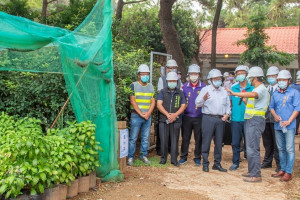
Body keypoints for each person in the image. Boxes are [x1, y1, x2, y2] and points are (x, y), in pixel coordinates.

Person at [226, 66, 270, 183]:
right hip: (250, 119)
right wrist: (244, 99)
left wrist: (236, 93)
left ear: (255, 78)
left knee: (253, 148)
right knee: (250, 147)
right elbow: (251, 103)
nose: (249, 80)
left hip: (255, 120)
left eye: (250, 78)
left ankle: (256, 174)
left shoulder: (260, 89)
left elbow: (254, 95)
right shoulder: (258, 89)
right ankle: (252, 171)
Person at [195, 69, 231, 172]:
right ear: (210, 80)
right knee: (206, 141)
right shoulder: (205, 90)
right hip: (208, 118)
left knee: (219, 143)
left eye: (219, 79)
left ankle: (217, 163)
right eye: (215, 79)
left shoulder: (224, 91)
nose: (218, 81)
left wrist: (227, 114)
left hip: (220, 119)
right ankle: (205, 163)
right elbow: (197, 103)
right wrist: (204, 99)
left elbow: (228, 105)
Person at [269, 70, 300, 182]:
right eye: (280, 80)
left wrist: (289, 121)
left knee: (289, 149)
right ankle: (282, 169)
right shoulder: (276, 93)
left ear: (289, 81)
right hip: (278, 125)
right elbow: (271, 107)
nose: (282, 82)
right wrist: (275, 116)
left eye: (284, 80)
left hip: (289, 126)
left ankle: (288, 172)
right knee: (281, 148)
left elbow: (297, 108)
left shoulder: (294, 93)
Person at [127, 64, 155, 166]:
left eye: (147, 74)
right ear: (138, 75)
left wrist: (147, 114)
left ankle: (143, 155)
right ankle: (130, 157)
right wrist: (141, 113)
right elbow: (133, 101)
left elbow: (153, 102)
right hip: (136, 115)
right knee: (133, 138)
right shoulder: (133, 85)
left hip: (147, 116)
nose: (145, 76)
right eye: (143, 74)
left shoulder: (151, 86)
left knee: (145, 137)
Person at [157, 72, 186, 167]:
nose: (172, 82)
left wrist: (175, 115)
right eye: (170, 81)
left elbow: (183, 105)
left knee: (175, 140)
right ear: (167, 82)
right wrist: (167, 115)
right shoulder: (162, 92)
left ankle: (174, 160)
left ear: (177, 82)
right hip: (164, 120)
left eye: (174, 81)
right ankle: (163, 158)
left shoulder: (180, 93)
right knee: (164, 140)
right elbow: (159, 104)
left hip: (176, 120)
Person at [179, 64, 206, 166]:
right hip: (186, 116)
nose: (193, 76)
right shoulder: (184, 86)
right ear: (189, 75)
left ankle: (197, 157)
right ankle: (183, 156)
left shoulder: (204, 87)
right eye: (192, 74)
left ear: (198, 75)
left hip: (199, 116)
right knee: (185, 137)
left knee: (198, 138)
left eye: (195, 74)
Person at [229, 65, 254, 171]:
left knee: (250, 143)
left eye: (242, 73)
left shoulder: (252, 88)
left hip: (248, 119)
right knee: (235, 142)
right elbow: (230, 103)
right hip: (235, 119)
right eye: (238, 74)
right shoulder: (233, 88)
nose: (240, 75)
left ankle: (251, 164)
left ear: (247, 75)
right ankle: (235, 162)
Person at [261, 66, 280, 172]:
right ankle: (267, 162)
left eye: (273, 76)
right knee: (267, 142)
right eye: (269, 76)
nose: (271, 78)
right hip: (266, 119)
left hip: (276, 120)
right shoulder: (266, 89)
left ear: (277, 77)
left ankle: (279, 164)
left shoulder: (281, 90)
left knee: (277, 144)